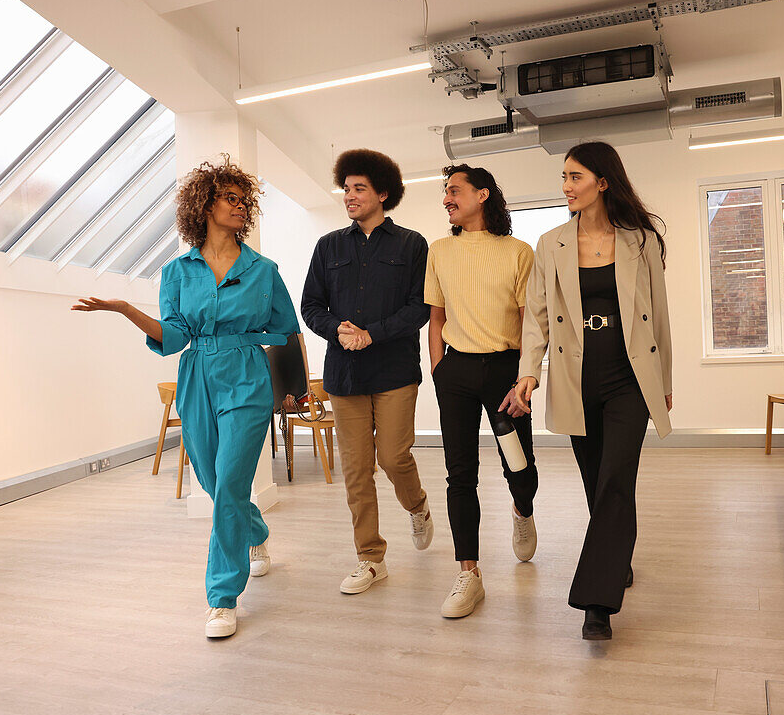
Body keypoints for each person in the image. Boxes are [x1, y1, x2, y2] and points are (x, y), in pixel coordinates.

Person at [72, 156, 300, 639]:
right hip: (196, 372)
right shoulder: (177, 272)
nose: (240, 207)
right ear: (205, 205)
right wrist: (126, 309)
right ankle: (255, 533)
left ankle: (221, 596)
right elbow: (173, 336)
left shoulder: (264, 270)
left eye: (245, 201)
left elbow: (284, 329)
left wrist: (285, 382)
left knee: (234, 478)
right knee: (216, 481)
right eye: (229, 199)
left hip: (246, 373)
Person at [511, 141, 673, 640]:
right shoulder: (551, 243)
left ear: (603, 182)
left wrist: (663, 381)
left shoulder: (640, 241)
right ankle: (616, 555)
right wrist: (528, 373)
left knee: (616, 476)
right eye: (564, 178)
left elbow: (659, 315)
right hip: (577, 380)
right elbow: (537, 316)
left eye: (575, 177)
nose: (566, 187)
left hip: (630, 379)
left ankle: (596, 603)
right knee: (597, 481)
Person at [300, 149, 434, 595]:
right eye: (346, 189)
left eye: (359, 189)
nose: (349, 196)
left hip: (394, 370)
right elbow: (310, 306)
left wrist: (372, 334)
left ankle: (416, 504)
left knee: (393, 457)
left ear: (382, 193)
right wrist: (336, 329)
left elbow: (420, 307)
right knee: (357, 470)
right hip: (344, 374)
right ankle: (370, 558)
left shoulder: (412, 245)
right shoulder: (328, 247)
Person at [426, 163, 539, 619]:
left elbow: (532, 324)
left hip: (504, 372)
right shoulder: (439, 251)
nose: (447, 198)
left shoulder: (518, 252)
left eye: (455, 191)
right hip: (455, 371)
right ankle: (468, 573)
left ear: (483, 195)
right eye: (445, 192)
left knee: (521, 468)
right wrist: (438, 372)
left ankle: (522, 509)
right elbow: (435, 319)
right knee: (459, 474)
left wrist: (525, 378)